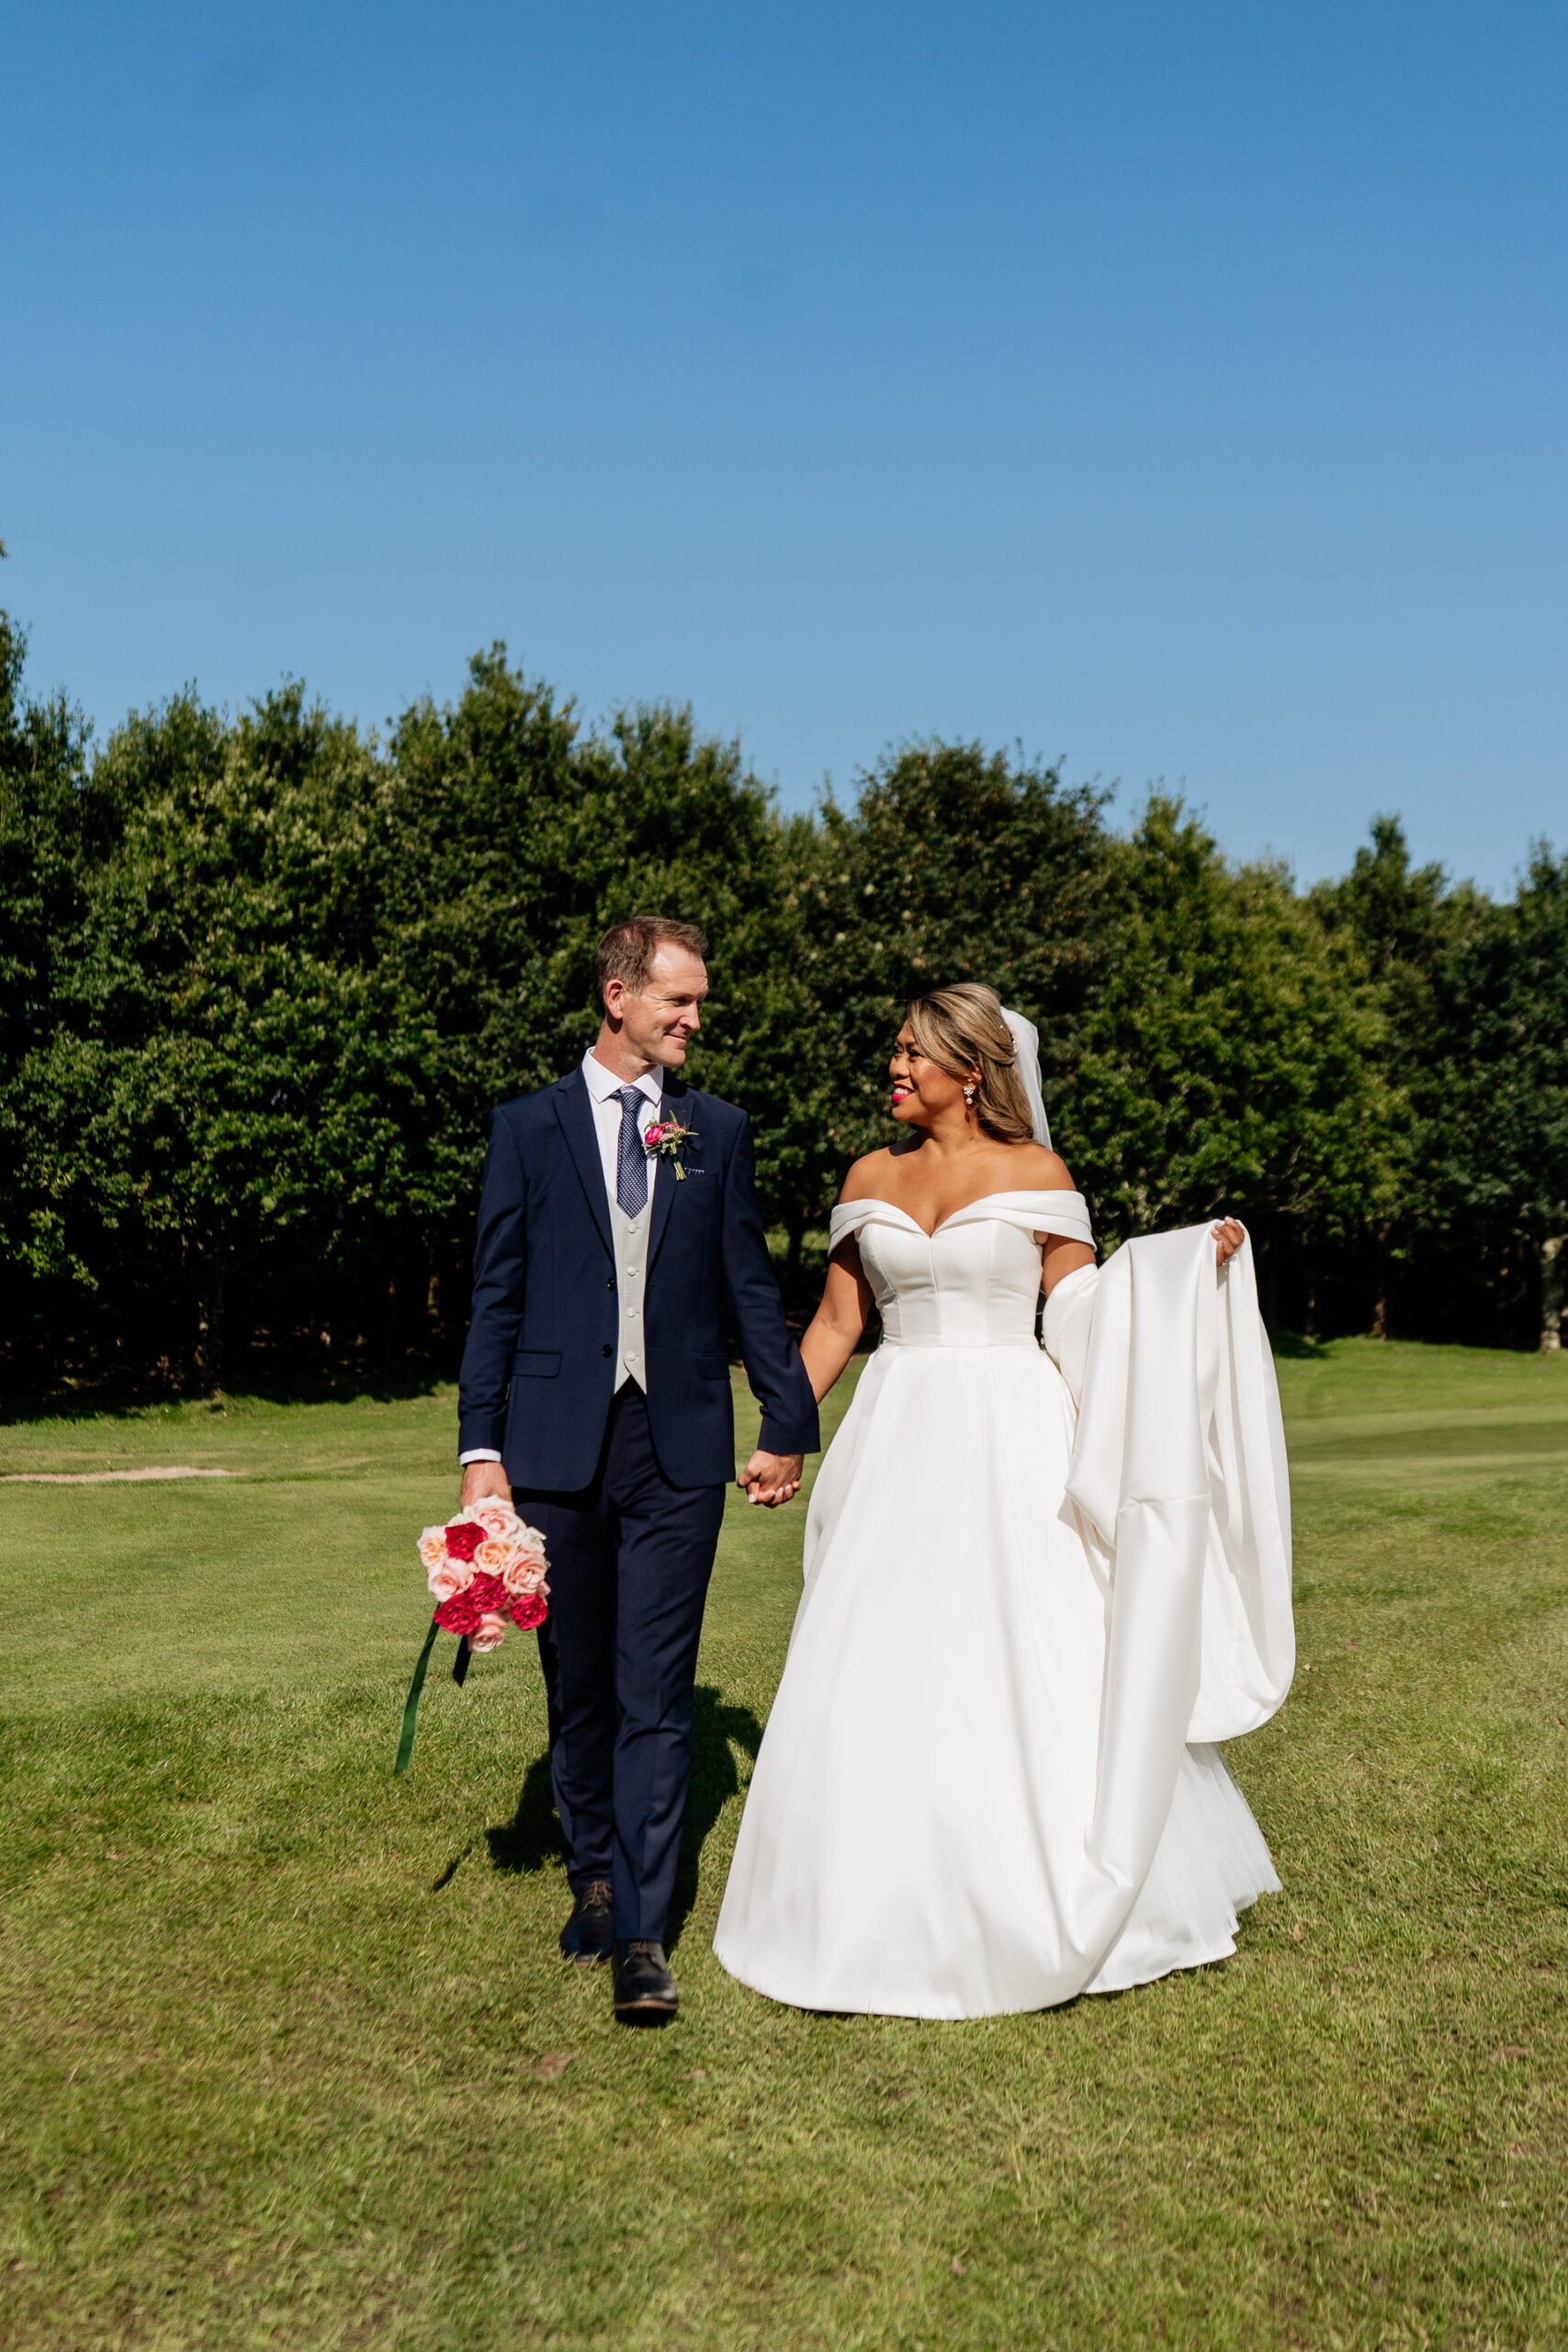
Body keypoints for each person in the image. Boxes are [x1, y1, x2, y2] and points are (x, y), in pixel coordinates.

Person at [714, 982, 1293, 2019]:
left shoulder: (1038, 1173)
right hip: (897, 1430)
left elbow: (1080, 1310)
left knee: (1025, 1645)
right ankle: (864, 1889)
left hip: (1009, 1430)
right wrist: (780, 1433)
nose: (893, 1067)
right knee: (880, 1648)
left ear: (970, 1071)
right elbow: (839, 1322)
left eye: (911, 1053)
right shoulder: (866, 1175)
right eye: (893, 1050)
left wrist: (1176, 1273)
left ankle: (1038, 1877)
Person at [457, 917, 818, 2025]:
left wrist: (786, 1414)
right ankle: (596, 1883)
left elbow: (748, 1285)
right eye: (680, 1000)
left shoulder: (716, 1131)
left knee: (658, 1692)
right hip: (555, 1450)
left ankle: (645, 1936)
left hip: (678, 1451)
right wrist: (482, 1454)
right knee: (578, 1688)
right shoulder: (527, 1128)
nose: (696, 1019)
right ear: (618, 996)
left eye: (699, 1001)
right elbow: (496, 1298)